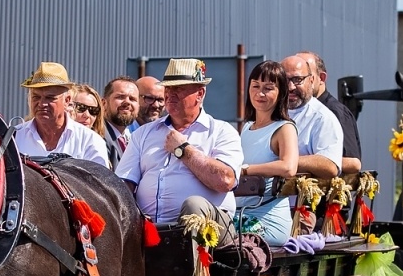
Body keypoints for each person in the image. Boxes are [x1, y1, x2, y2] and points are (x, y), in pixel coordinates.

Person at [115, 58, 242, 226]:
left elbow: (225, 180)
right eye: (168, 88)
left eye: (179, 89)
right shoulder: (143, 134)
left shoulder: (221, 131)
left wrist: (183, 150)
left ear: (200, 94)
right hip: (149, 230)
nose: (170, 94)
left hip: (210, 230)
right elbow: (124, 184)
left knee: (194, 206)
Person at [233, 61, 298, 244]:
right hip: (240, 214)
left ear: (281, 93)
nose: (260, 93)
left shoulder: (284, 128)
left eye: (268, 88)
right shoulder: (246, 127)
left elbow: (288, 167)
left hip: (266, 219)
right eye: (255, 86)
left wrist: (245, 169)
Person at [12, 62, 110, 167]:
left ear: (67, 101)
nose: (41, 104)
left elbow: (98, 182)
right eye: (36, 97)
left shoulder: (89, 141)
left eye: (50, 98)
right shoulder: (14, 138)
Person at [297, 50, 362, 175]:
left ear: (321, 78)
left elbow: (354, 163)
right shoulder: (295, 109)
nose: (294, 84)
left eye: (303, 77)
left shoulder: (334, 112)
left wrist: (295, 161)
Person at [279, 54, 342, 178]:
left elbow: (330, 165)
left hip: (300, 196)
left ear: (311, 81)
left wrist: (284, 163)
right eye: (285, 80)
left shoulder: (322, 118)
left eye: (297, 80)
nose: (290, 87)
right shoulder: (268, 112)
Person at [100, 77, 140, 163]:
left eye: (132, 99)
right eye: (120, 97)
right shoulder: (99, 137)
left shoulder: (135, 138)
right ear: (104, 103)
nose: (127, 102)